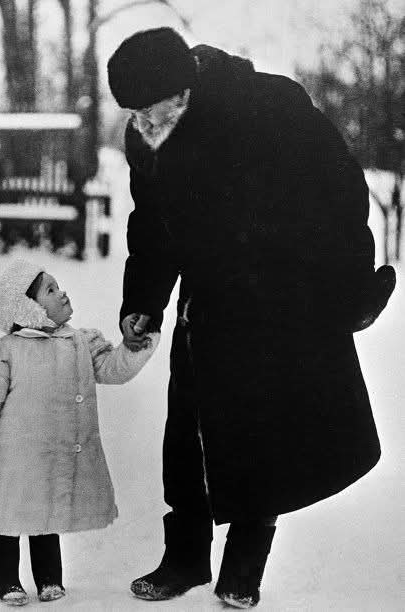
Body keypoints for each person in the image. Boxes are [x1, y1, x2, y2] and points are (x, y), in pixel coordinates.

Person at [107, 27, 396, 608]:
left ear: (181, 90)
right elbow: (153, 227)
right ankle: (184, 559)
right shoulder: (148, 138)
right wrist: (144, 301)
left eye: (148, 108)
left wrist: (346, 284)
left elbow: (341, 193)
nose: (140, 122)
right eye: (131, 112)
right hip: (205, 304)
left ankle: (243, 570)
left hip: (279, 301)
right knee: (188, 435)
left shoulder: (270, 106)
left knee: (259, 435)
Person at [0, 258, 159, 606]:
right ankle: (4, 579)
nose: (62, 293)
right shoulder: (4, 350)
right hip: (12, 459)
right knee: (7, 519)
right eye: (50, 290)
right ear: (28, 307)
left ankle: (49, 578)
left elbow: (113, 369)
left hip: (53, 455)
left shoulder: (79, 343)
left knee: (47, 517)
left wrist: (135, 344)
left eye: (58, 286)